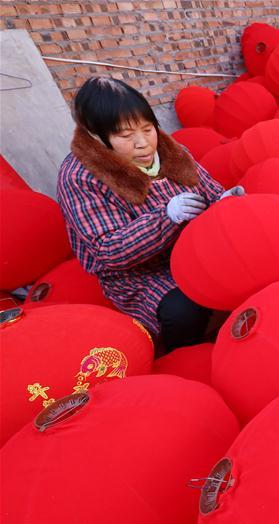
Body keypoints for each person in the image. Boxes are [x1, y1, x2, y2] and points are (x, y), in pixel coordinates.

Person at [57, 77, 241, 353]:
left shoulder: (171, 151)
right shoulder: (80, 176)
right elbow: (109, 248)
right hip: (142, 273)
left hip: (195, 248)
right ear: (96, 136)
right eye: (126, 136)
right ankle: (182, 356)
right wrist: (166, 218)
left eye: (147, 129)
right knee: (183, 310)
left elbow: (211, 191)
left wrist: (227, 202)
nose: (143, 143)